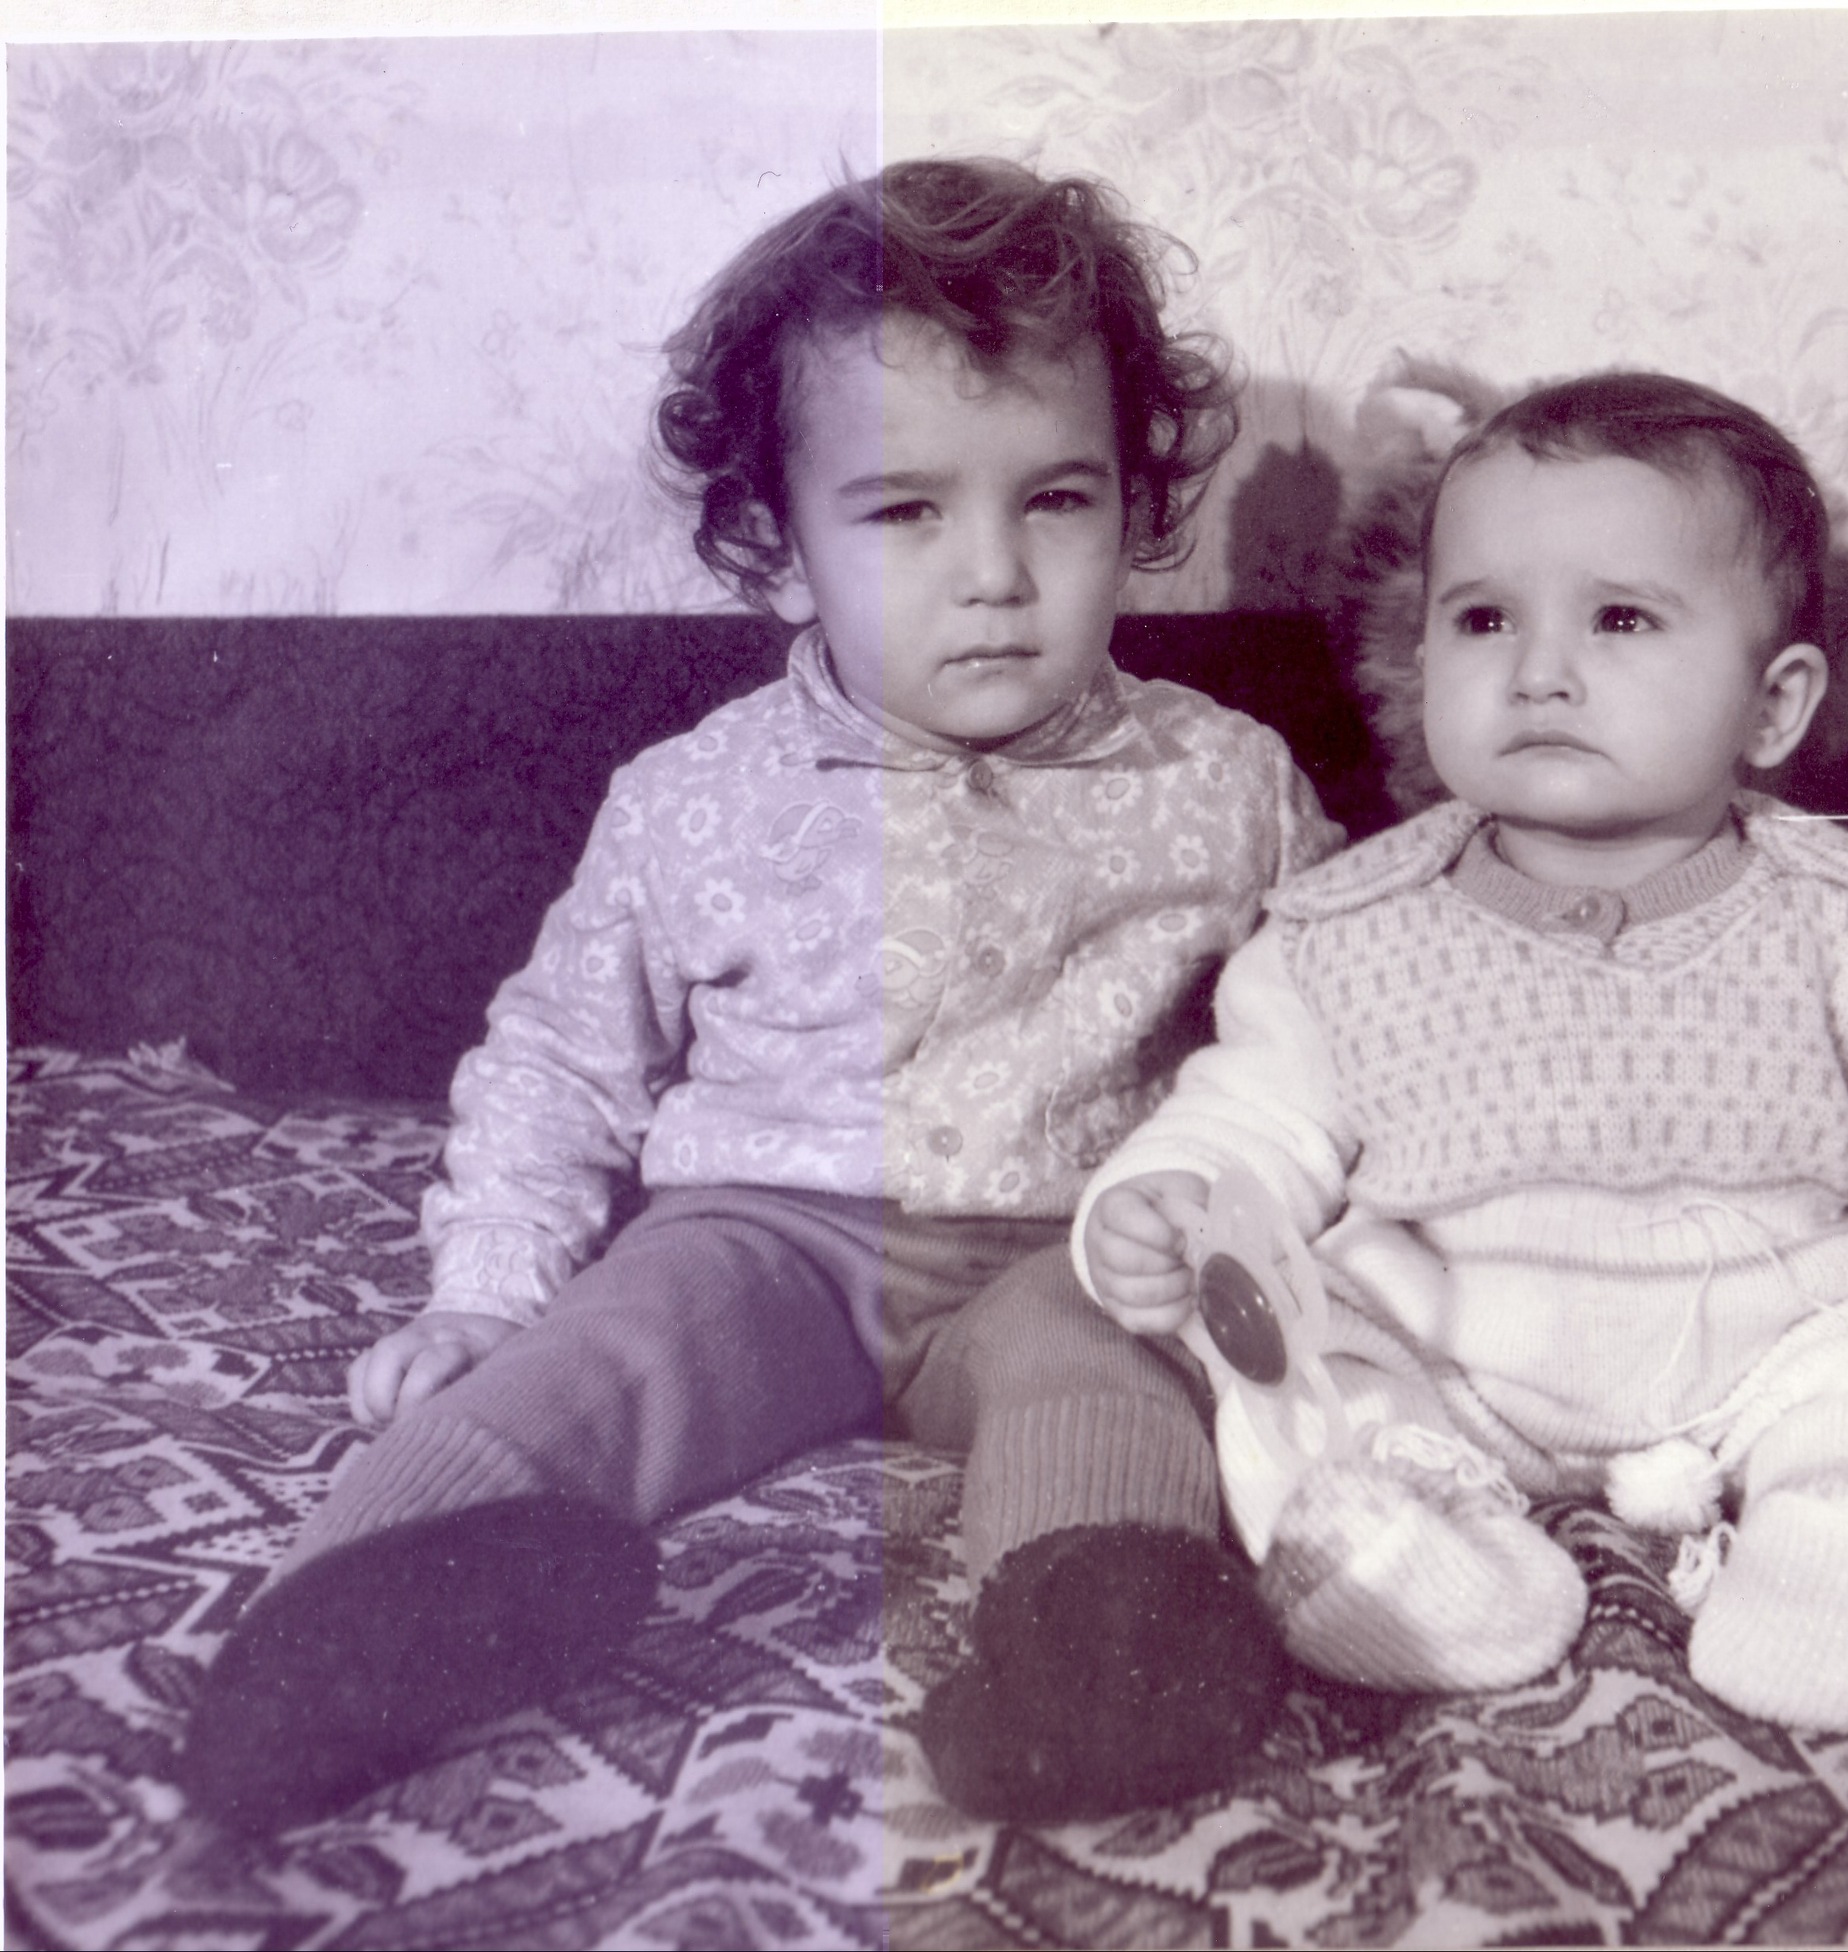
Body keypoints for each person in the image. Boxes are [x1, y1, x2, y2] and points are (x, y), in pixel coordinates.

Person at [178, 158, 1340, 1834]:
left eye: (1057, 500)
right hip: (767, 1235)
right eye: (904, 512)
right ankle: (357, 1613)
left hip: (1068, 1244)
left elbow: (1336, 1018)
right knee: (615, 1348)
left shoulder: (1226, 782)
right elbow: (561, 1063)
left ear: (1131, 505)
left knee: (1111, 1380)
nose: (996, 572)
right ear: (780, 544)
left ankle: (1106, 1655)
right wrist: (487, 1292)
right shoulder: (695, 798)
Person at [1077, 372, 1848, 1731]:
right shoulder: (1344, 932)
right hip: (1462, 1350)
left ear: (1775, 705)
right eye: (1482, 618)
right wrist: (1169, 1202)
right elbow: (1254, 1121)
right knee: (1300, 1370)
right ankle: (1404, 1549)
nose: (1538, 669)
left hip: (1787, 1343)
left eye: (1622, 619)